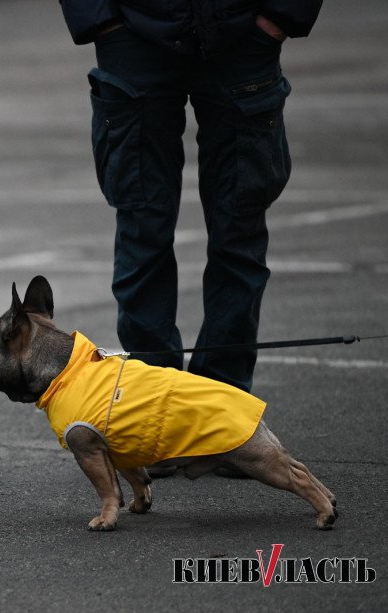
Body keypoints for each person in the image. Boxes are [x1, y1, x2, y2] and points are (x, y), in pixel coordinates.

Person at [58, 1, 323, 395]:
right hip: (132, 37)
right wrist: (101, 23)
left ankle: (222, 404)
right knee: (142, 227)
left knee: (239, 229)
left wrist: (281, 16)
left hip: (242, 35)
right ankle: (154, 400)